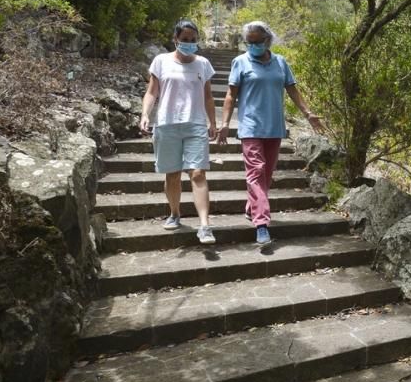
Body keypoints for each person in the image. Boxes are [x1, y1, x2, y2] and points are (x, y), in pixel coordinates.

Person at [217, 21, 324, 245]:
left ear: (268, 40)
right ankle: (262, 223)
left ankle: (251, 207)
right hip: (250, 126)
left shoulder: (281, 63)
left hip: (274, 126)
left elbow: (292, 89)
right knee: (256, 171)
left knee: (266, 175)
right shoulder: (240, 62)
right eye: (249, 42)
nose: (252, 45)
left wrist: (308, 113)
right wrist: (225, 123)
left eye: (257, 41)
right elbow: (230, 95)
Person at [139, 19, 217, 244]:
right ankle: (175, 213)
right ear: (175, 40)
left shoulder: (203, 63)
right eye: (184, 40)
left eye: (193, 40)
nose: (189, 43)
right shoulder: (161, 61)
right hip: (167, 124)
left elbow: (208, 96)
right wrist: (145, 114)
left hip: (195, 124)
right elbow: (152, 92)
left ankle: (205, 226)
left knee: (198, 173)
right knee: (172, 174)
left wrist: (213, 122)